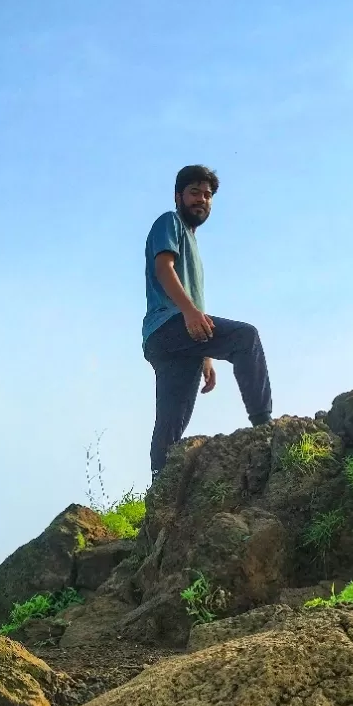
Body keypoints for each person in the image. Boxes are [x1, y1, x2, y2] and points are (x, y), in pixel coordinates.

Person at [143, 165, 273, 476]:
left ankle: (160, 487)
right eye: (194, 193)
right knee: (245, 338)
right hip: (167, 324)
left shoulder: (192, 241)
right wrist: (189, 312)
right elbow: (164, 269)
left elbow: (194, 305)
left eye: (208, 195)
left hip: (170, 339)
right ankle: (265, 428)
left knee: (172, 419)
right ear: (178, 197)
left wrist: (204, 355)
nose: (202, 199)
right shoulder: (169, 222)